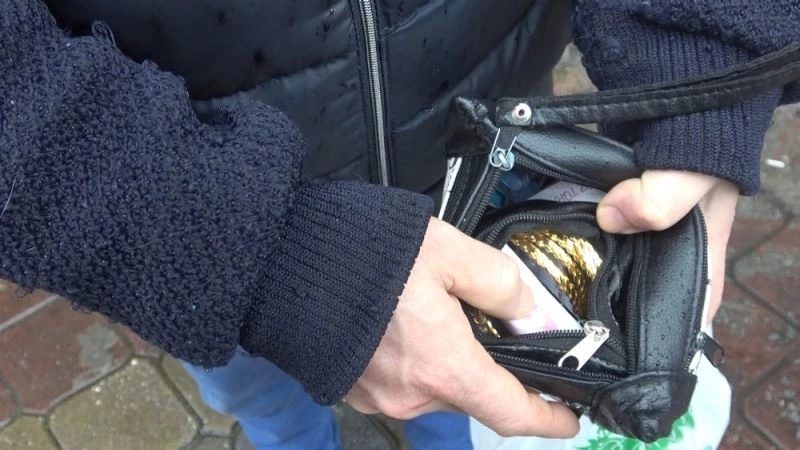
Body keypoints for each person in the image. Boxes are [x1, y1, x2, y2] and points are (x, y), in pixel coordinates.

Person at [1, 0, 798, 448]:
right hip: (202, 221)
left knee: (464, 395)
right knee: (268, 402)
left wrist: (700, 47)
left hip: (481, 159)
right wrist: (226, 242)